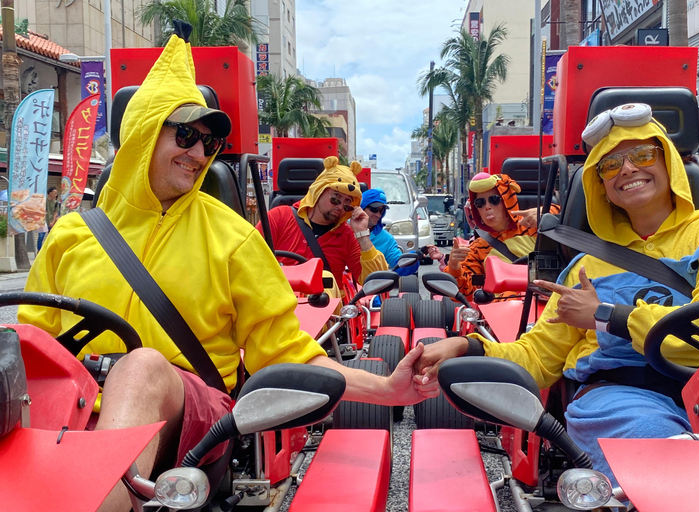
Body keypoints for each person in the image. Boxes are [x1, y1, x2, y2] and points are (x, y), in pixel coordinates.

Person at [19, 30, 435, 512]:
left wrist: (385, 389)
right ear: (142, 133)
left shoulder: (233, 236)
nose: (198, 153)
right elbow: (34, 347)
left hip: (195, 419)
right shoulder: (71, 234)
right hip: (73, 415)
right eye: (185, 135)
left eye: (209, 141)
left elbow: (286, 354)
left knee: (142, 368)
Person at [415, 104, 699, 484]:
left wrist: (606, 316)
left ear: (669, 162)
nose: (628, 169)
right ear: (600, 187)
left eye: (643, 154)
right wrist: (468, 348)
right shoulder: (585, 268)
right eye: (611, 165)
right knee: (675, 475)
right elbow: (537, 357)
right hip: (621, 394)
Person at [257, 156, 388, 297]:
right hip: (278, 303)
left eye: (347, 202)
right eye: (335, 198)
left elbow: (376, 281)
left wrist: (363, 235)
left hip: (326, 312)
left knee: (326, 281)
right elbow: (252, 259)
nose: (339, 206)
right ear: (319, 191)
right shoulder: (279, 217)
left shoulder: (347, 235)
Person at [444, 172, 557, 299]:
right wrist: (454, 264)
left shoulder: (535, 225)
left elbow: (570, 222)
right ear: (477, 211)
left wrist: (545, 214)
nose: (487, 207)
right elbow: (466, 292)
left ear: (506, 201)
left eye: (494, 200)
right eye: (480, 203)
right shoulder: (476, 249)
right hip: (504, 309)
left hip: (547, 302)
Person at [360, 187, 418, 276]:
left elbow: (400, 265)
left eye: (381, 210)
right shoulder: (344, 232)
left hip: (373, 287)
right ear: (361, 208)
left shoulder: (386, 239)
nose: (378, 214)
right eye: (374, 209)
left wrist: (413, 259)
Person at [37, 186, 59, 251]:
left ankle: (49, 251)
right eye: (54, 193)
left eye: (56, 193)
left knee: (51, 237)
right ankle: (39, 251)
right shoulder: (43, 200)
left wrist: (53, 222)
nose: (56, 194)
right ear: (50, 193)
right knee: (41, 237)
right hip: (43, 222)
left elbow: (55, 213)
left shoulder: (56, 203)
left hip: (51, 222)